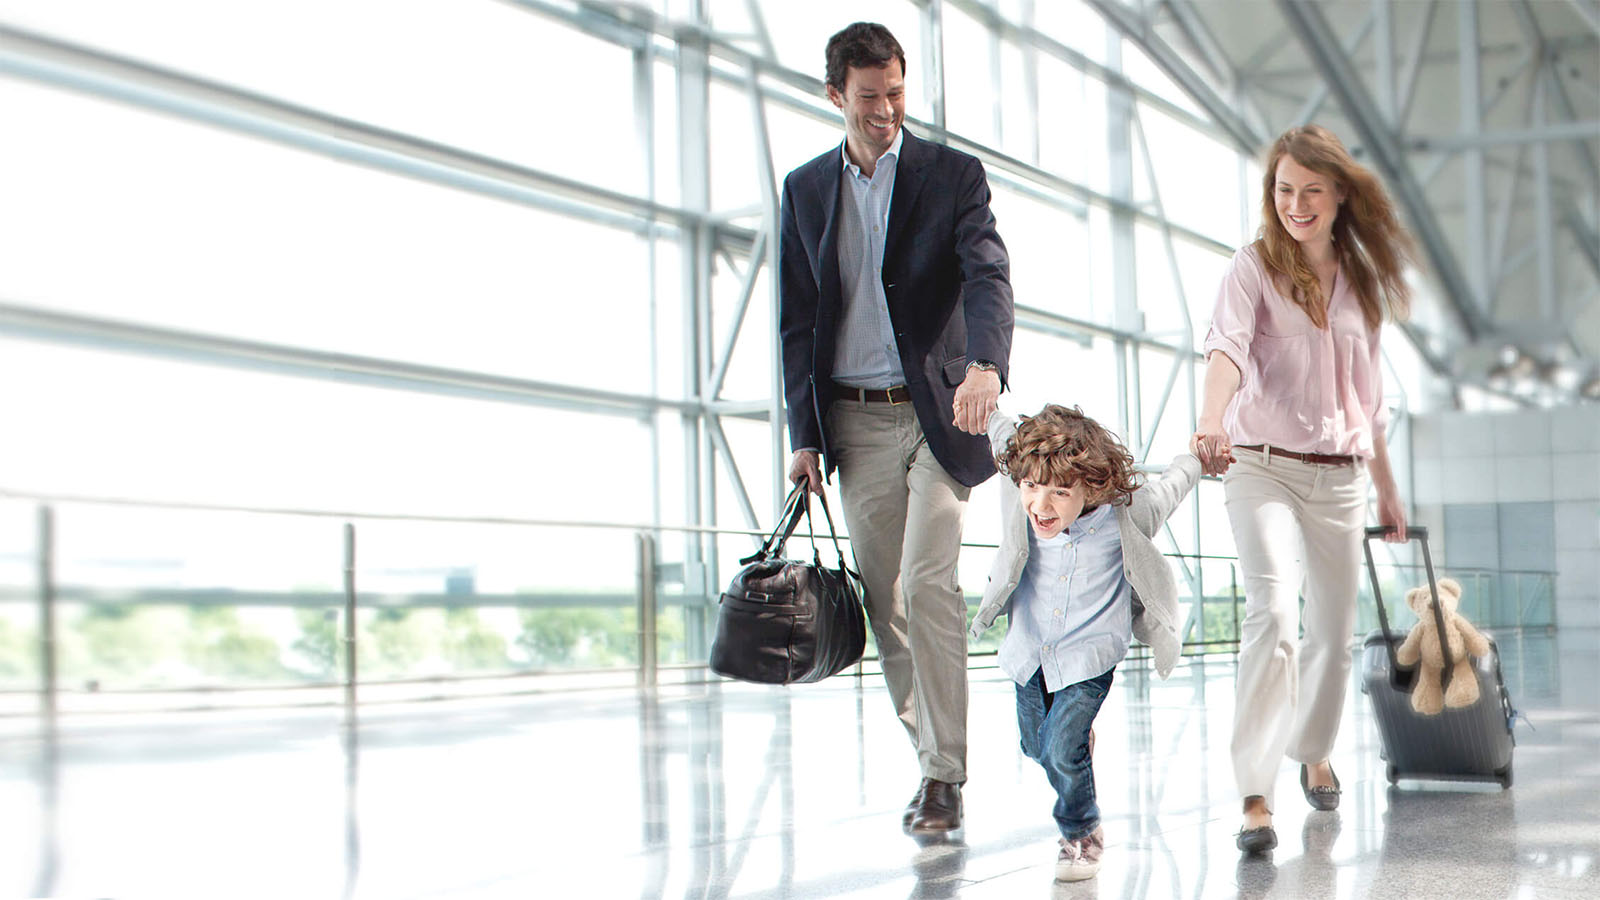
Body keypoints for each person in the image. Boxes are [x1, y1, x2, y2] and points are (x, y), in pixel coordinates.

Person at [777, 21, 1014, 834]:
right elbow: (797, 321)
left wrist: (986, 365)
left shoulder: (951, 176)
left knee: (926, 583)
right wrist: (803, 435)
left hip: (940, 414)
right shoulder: (807, 190)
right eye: (870, 97)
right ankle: (931, 753)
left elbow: (987, 271)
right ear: (836, 95)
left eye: (897, 94)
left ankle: (946, 776)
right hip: (853, 422)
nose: (886, 112)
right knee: (889, 605)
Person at [1191, 124, 1413, 854]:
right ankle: (1254, 792)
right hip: (1261, 467)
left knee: (1334, 638)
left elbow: (1370, 399)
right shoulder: (1252, 268)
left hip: (1343, 478)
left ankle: (1311, 745)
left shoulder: (1361, 280)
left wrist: (1386, 489)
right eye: (1285, 190)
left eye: (1312, 190)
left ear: (1341, 194)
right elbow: (1225, 349)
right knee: (1274, 614)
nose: (1296, 204)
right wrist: (1209, 419)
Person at [969, 404, 1200, 882]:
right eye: (1032, 488)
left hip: (1089, 655)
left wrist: (1199, 458)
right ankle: (1074, 745)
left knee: (1058, 749)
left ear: (1092, 486)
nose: (1041, 505)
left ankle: (1081, 831)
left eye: (1059, 492)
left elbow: (1172, 486)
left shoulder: (1127, 514)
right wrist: (982, 401)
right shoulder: (1024, 484)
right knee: (1037, 746)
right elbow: (1002, 431)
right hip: (1030, 649)